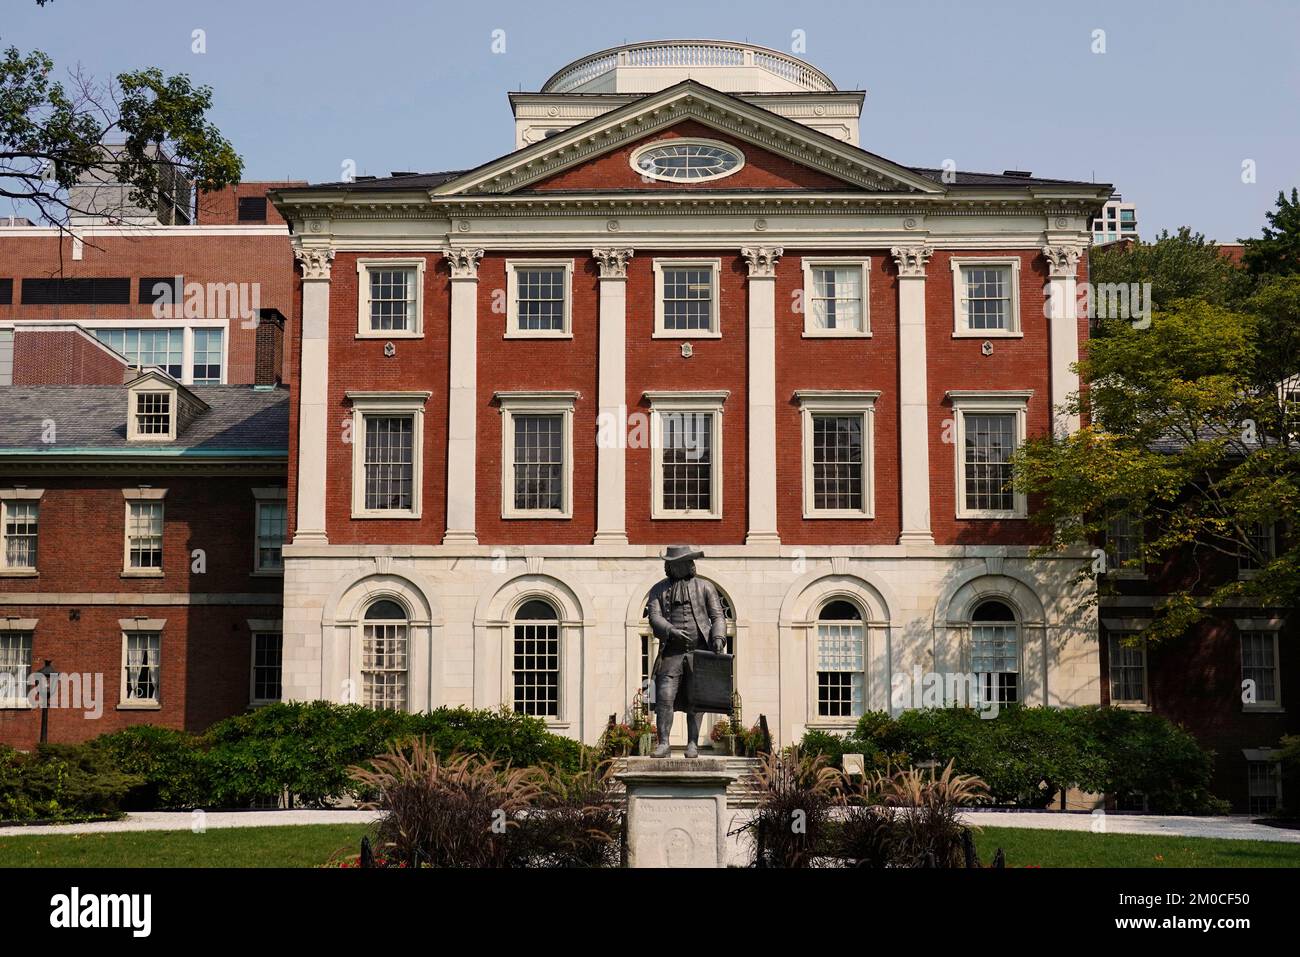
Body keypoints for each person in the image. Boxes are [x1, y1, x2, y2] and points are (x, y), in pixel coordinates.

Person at [646, 545, 727, 758]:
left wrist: (718, 637)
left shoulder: (705, 586)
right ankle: (663, 743)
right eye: (672, 564)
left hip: (699, 653)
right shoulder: (658, 589)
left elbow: (717, 616)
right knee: (664, 697)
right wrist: (670, 630)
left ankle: (693, 743)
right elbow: (654, 617)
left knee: (695, 700)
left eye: (680, 563)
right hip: (671, 653)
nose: (674, 567)